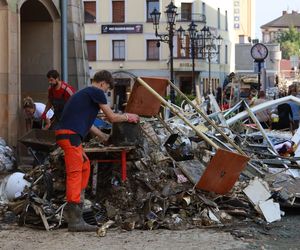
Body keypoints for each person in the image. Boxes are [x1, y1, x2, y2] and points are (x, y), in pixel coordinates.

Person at [55, 70, 139, 232]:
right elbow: (112, 117)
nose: (106, 94)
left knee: (85, 165)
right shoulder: (96, 92)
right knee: (75, 173)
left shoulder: (85, 94)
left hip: (67, 135)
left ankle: (79, 205)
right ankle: (74, 220)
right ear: (103, 84)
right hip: (70, 136)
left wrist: (104, 137)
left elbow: (89, 124)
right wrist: (129, 117)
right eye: (107, 90)